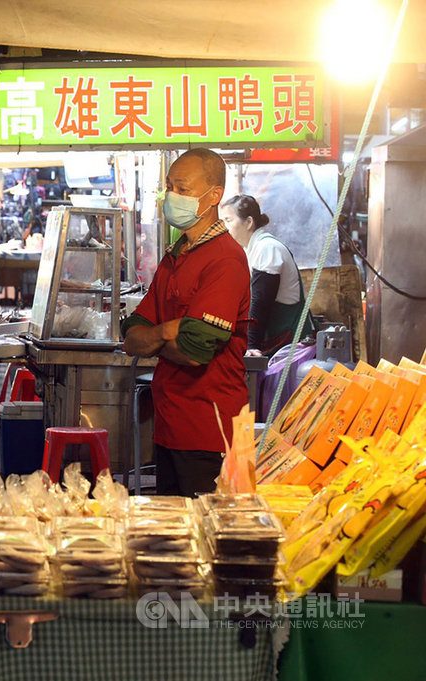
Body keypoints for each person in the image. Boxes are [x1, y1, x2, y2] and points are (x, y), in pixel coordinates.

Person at [122, 149, 251, 497]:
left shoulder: (225, 261)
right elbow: (131, 334)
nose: (171, 196)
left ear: (214, 196)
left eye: (182, 187)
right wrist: (166, 330)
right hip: (169, 426)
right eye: (169, 186)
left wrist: (158, 340)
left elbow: (195, 351)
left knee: (209, 537)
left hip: (211, 431)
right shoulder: (176, 254)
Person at [223, 194, 314, 356]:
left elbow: (260, 302)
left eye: (228, 221)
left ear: (249, 222)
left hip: (289, 346)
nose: (224, 227)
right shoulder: (248, 250)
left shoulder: (268, 248)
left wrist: (251, 345)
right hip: (274, 340)